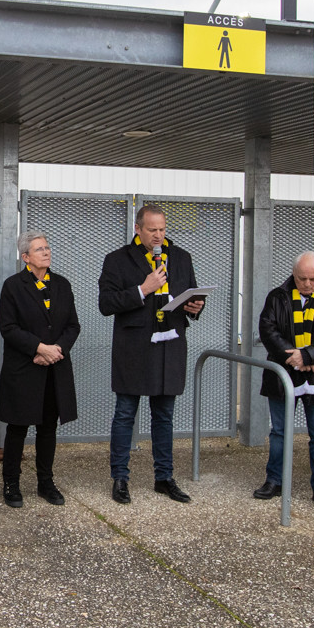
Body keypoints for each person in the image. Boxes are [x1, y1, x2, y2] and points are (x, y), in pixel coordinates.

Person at [97, 204, 204, 505]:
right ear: (138, 229)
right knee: (125, 415)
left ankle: (164, 477)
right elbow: (106, 303)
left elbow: (191, 292)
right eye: (152, 230)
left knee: (164, 416)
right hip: (134, 349)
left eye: (162, 229)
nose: (158, 235)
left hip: (169, 346)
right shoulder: (117, 260)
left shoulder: (181, 258)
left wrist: (195, 307)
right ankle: (120, 478)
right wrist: (142, 289)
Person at [254, 252, 314, 511]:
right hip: (285, 370)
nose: (307, 284)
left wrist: (308, 355)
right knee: (279, 432)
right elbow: (268, 329)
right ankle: (274, 480)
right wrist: (295, 357)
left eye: (313, 279)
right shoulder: (278, 296)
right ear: (293, 274)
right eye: (302, 278)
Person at [0, 232, 80, 507]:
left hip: (54, 368)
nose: (46, 252)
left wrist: (55, 351)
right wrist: (38, 348)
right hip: (24, 368)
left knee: (47, 428)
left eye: (47, 247)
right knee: (17, 428)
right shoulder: (13, 286)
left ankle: (46, 482)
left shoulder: (62, 285)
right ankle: (11, 484)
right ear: (25, 258)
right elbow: (8, 328)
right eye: (39, 249)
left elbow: (72, 326)